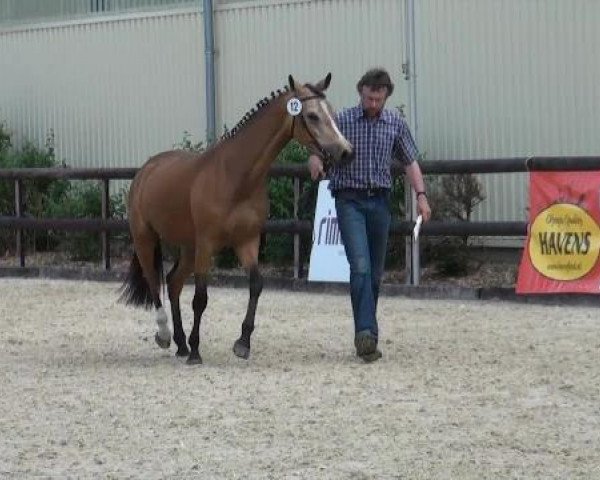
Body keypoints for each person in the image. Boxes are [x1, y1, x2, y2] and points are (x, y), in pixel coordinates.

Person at [308, 67, 431, 363]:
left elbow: (410, 160)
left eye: (378, 99)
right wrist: (313, 158)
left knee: (375, 273)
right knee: (360, 266)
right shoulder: (344, 120)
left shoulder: (395, 124)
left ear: (386, 96)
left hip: (380, 202)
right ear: (360, 92)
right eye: (368, 98)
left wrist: (421, 195)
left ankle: (368, 332)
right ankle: (365, 332)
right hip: (349, 200)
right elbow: (319, 143)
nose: (373, 104)